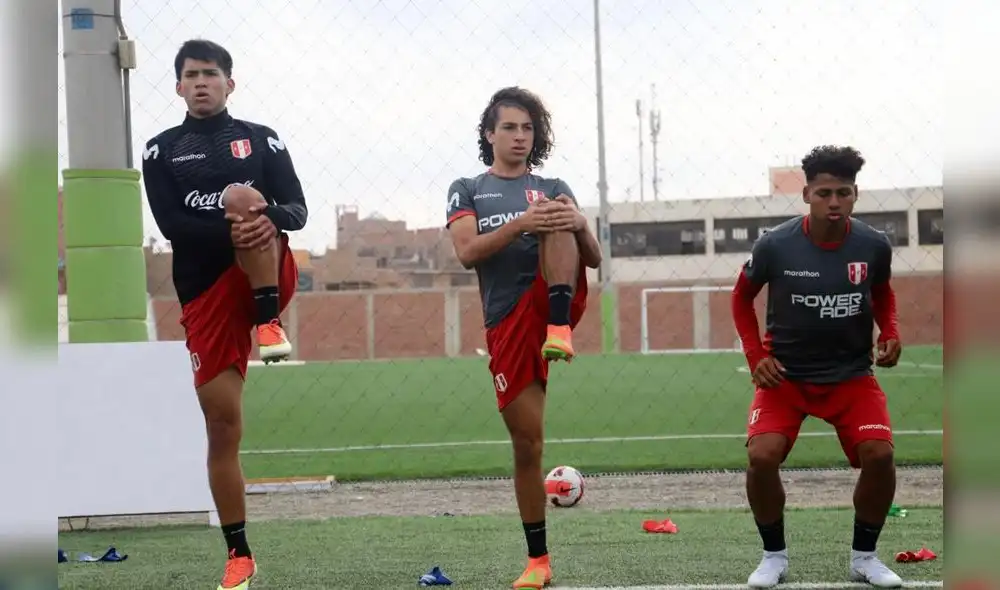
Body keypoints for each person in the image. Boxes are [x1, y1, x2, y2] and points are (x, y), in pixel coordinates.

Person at [141, 39, 307, 590]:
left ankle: (268, 321)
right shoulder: (160, 150)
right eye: (192, 75)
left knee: (243, 196)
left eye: (211, 73)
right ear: (179, 86)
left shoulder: (263, 139)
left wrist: (262, 217)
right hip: (203, 288)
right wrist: (237, 224)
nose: (202, 82)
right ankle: (239, 553)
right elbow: (171, 225)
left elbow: (298, 210)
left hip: (263, 271)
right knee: (221, 425)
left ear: (230, 83)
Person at [445, 86, 602, 589]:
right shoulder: (467, 187)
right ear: (489, 134)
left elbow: (593, 257)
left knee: (557, 214)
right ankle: (539, 560)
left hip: (551, 301)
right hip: (507, 319)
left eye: (527, 128)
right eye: (508, 127)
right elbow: (468, 252)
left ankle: (559, 328)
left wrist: (577, 221)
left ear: (537, 136)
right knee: (528, 444)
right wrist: (520, 223)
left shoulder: (553, 184)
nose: (518, 136)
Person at [731, 145, 904, 589]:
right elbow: (739, 297)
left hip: (850, 376)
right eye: (824, 192)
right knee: (761, 456)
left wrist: (890, 330)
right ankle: (773, 557)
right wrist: (756, 356)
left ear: (855, 195)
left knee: (880, 456)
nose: (833, 202)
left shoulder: (872, 244)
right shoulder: (775, 245)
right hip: (785, 377)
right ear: (806, 193)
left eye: (843, 193)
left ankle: (865, 557)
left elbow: (882, 292)